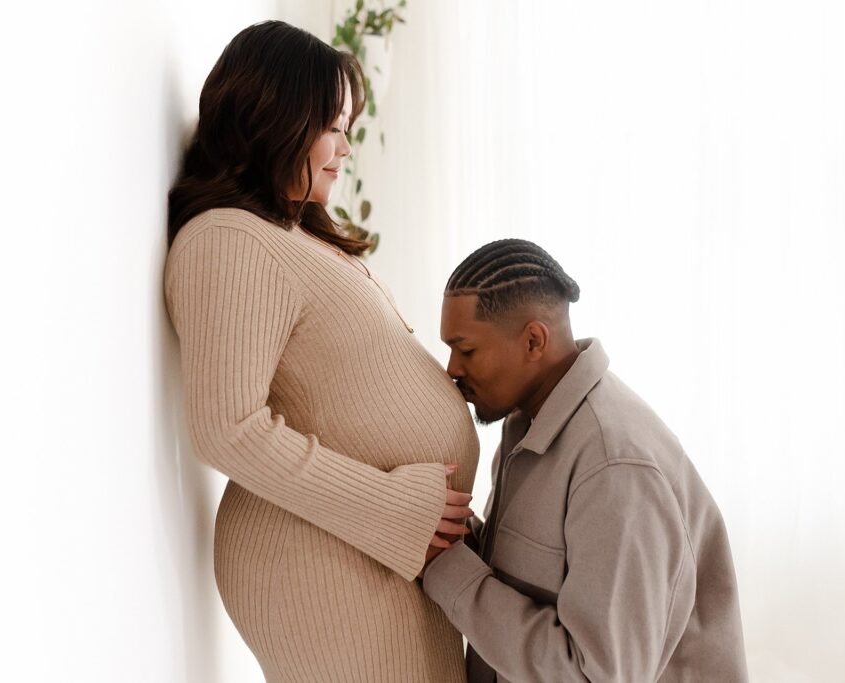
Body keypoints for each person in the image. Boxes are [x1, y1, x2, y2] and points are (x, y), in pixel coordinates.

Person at [163, 21, 477, 681]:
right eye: (332, 127)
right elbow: (228, 428)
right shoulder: (230, 240)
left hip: (366, 551)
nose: (344, 148)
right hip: (322, 556)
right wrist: (395, 509)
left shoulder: (286, 232)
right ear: (274, 118)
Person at [422, 239, 749, 682]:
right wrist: (450, 535)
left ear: (534, 340)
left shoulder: (616, 467)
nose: (452, 369)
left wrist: (446, 568)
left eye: (467, 349)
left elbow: (598, 675)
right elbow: (527, 582)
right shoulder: (527, 426)